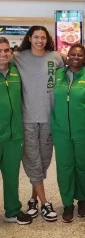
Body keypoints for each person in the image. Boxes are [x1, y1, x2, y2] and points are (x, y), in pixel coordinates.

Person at [13, 26, 64, 221]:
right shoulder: (19, 56)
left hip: (50, 118)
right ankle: (45, 203)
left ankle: (33, 199)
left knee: (44, 160)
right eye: (36, 37)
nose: (39, 41)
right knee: (32, 160)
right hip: (28, 118)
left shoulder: (56, 57)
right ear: (30, 38)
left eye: (43, 37)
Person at [50, 44, 85, 223]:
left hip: (83, 130)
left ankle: (82, 200)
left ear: (84, 57)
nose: (75, 57)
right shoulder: (56, 75)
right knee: (64, 168)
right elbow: (47, 99)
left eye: (79, 55)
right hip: (60, 130)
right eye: (72, 54)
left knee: (82, 166)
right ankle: (67, 204)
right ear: (67, 56)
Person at [0, 37, 32, 225]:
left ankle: (12, 211)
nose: (3, 54)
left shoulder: (16, 72)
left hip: (14, 135)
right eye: (0, 51)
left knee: (12, 176)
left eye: (6, 50)